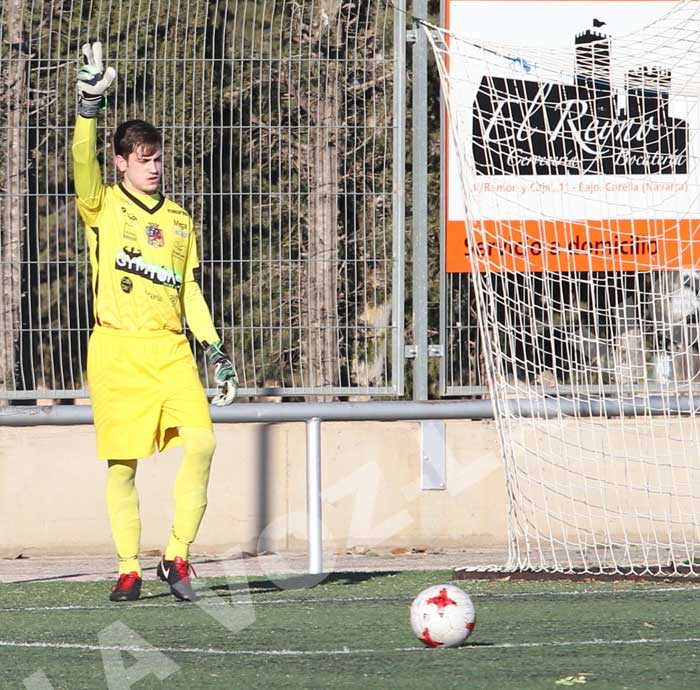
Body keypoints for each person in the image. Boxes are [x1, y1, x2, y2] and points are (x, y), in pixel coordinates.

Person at [72, 42, 238, 603]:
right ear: (121, 163)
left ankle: (177, 555)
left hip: (170, 352)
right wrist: (88, 109)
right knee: (122, 465)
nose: (154, 167)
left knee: (203, 443)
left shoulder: (179, 219)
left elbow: (188, 289)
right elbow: (81, 165)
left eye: (158, 158)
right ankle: (128, 567)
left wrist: (214, 349)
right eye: (143, 159)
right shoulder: (102, 205)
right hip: (117, 350)